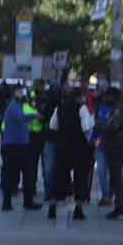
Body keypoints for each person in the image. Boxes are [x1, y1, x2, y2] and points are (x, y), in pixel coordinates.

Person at [48, 86, 94, 220]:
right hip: (79, 149)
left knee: (59, 177)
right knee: (80, 177)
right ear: (79, 97)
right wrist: (90, 142)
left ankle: (52, 206)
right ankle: (78, 209)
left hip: (62, 148)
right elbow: (86, 128)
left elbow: (53, 126)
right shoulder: (82, 108)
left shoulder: (60, 108)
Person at [0, 89, 41, 211]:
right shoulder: (14, 106)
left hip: (20, 145)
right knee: (12, 175)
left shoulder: (20, 106)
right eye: (20, 94)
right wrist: (35, 115)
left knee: (26, 174)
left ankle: (27, 201)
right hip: (14, 147)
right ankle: (7, 203)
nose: (23, 96)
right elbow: (21, 118)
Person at [96, 87, 123, 220]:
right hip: (116, 147)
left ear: (113, 96)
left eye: (107, 96)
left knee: (117, 180)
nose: (104, 99)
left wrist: (100, 125)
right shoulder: (119, 107)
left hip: (117, 148)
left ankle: (120, 210)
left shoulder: (119, 109)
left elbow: (113, 127)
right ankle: (118, 208)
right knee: (115, 179)